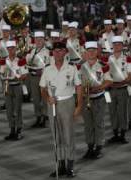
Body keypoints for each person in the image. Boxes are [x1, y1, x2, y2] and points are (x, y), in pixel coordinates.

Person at [40, 41, 82, 178]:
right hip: (52, 104)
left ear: (65, 52)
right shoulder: (47, 69)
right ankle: (60, 164)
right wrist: (47, 98)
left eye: (61, 50)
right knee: (56, 136)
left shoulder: (72, 68)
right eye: (55, 51)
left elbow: (79, 87)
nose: (58, 53)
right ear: (52, 53)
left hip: (67, 103)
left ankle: (70, 166)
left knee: (68, 135)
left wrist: (79, 105)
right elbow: (43, 88)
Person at [80, 41, 112, 159]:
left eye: (93, 50)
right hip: (85, 98)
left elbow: (109, 81)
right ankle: (90, 146)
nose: (91, 53)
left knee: (98, 123)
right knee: (88, 124)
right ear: (86, 53)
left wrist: (98, 87)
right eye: (89, 51)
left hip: (98, 98)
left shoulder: (103, 66)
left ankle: (99, 146)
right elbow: (77, 83)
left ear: (97, 52)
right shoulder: (80, 66)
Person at [107, 36, 131, 144]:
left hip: (122, 88)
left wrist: (123, 82)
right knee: (112, 111)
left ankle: (123, 134)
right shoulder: (109, 59)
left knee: (122, 111)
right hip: (111, 89)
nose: (116, 46)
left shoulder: (127, 58)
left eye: (119, 44)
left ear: (122, 46)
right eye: (114, 44)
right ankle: (115, 133)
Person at [0, 41, 28, 141]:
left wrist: (19, 77)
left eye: (13, 48)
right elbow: (2, 73)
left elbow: (25, 74)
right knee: (9, 109)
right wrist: (4, 77)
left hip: (17, 86)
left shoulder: (20, 60)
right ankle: (12, 130)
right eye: (9, 48)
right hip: (8, 86)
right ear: (7, 50)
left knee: (17, 109)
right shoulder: (4, 61)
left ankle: (19, 130)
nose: (11, 50)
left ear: (15, 49)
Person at [26, 31, 51, 128]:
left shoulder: (48, 52)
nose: (38, 41)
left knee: (44, 98)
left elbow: (49, 66)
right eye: (37, 39)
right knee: (36, 99)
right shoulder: (32, 51)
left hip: (43, 77)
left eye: (40, 39)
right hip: (33, 77)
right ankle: (38, 117)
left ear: (44, 40)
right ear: (35, 40)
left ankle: (44, 117)